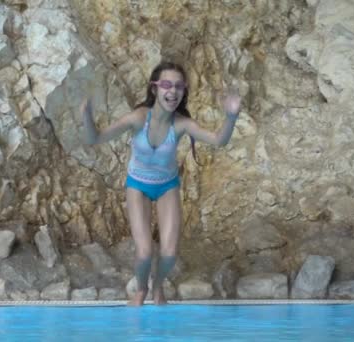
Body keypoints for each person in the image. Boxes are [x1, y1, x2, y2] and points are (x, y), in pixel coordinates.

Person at [81, 61, 240, 306]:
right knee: (144, 253)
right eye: (166, 84)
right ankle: (141, 290)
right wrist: (86, 116)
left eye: (178, 86)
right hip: (138, 185)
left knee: (169, 254)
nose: (172, 91)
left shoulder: (181, 124)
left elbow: (219, 141)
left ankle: (158, 287)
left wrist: (231, 117)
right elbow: (96, 138)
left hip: (167, 186)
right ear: (154, 89)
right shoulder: (138, 118)